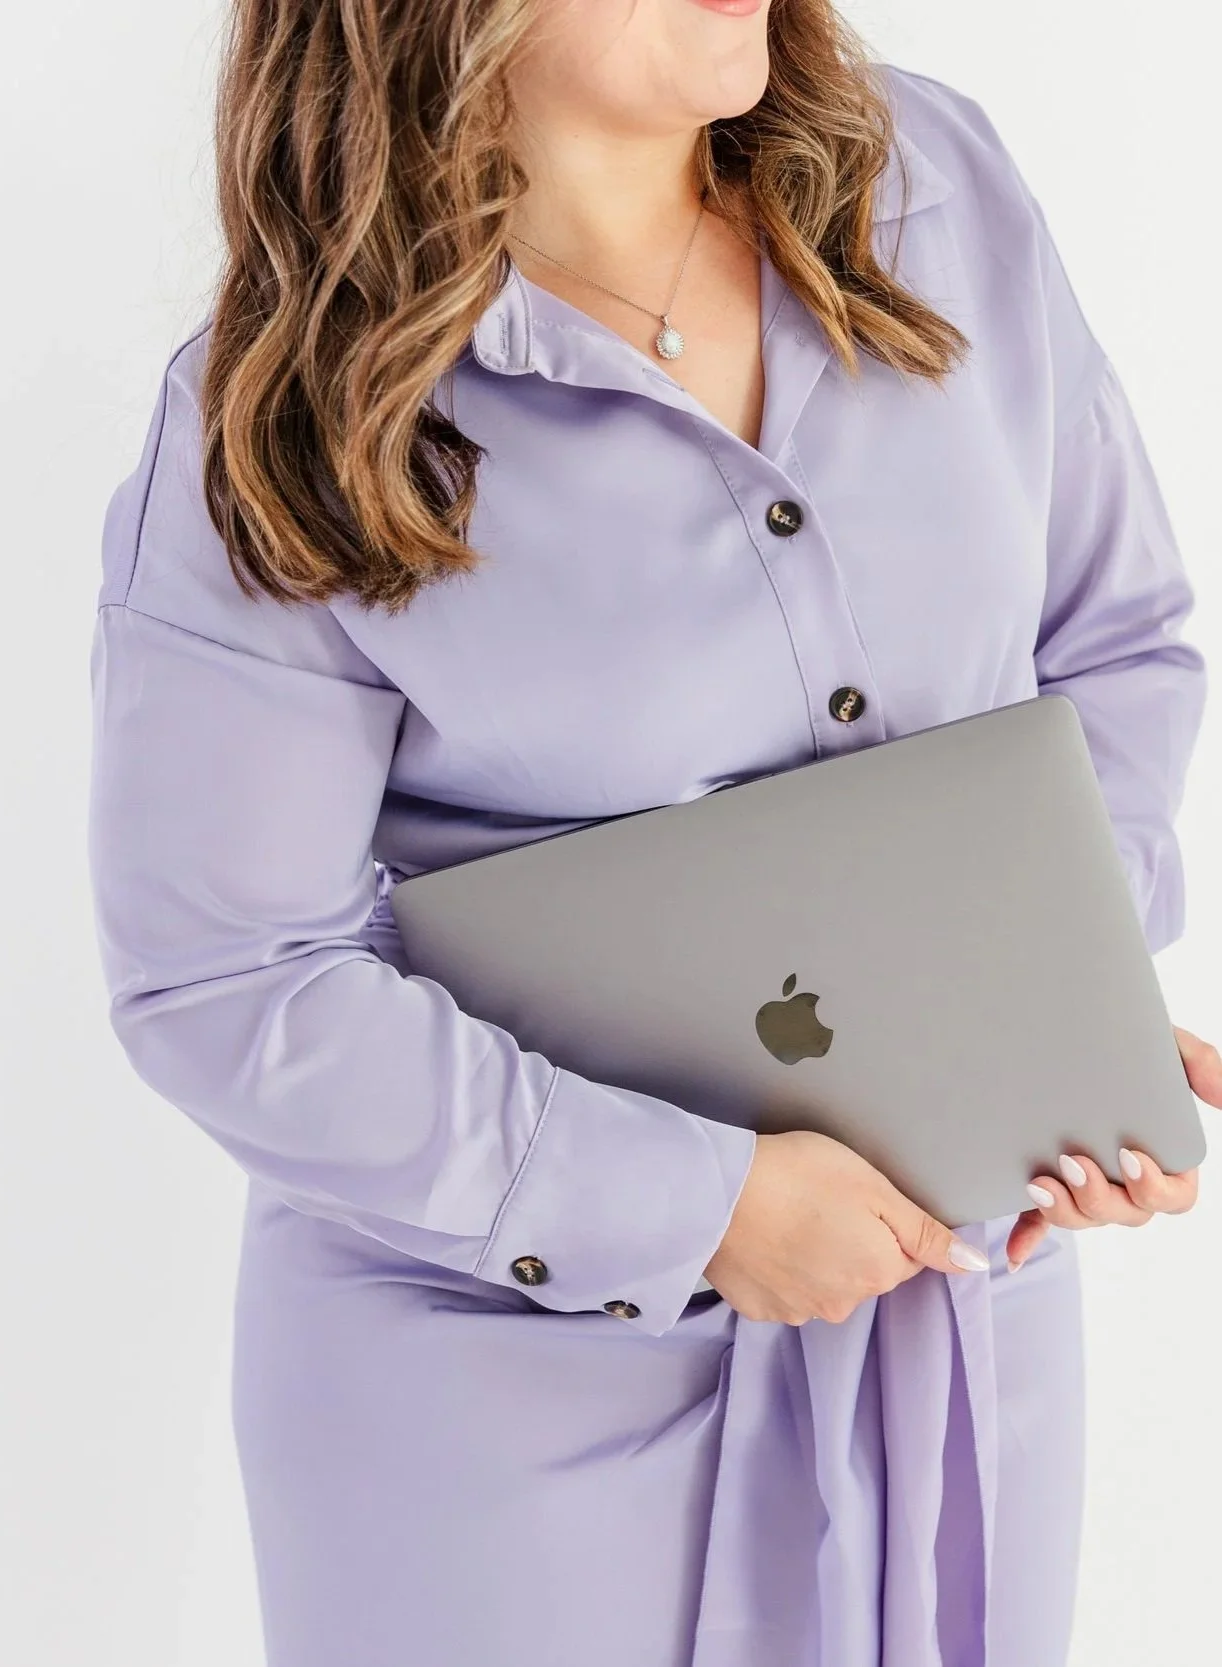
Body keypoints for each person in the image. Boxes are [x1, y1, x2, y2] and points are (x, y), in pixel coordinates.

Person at [86, 2, 1218, 1664]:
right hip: (496, 1434)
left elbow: (1113, 650)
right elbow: (226, 981)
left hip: (951, 1344)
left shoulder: (939, 192)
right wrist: (696, 1207)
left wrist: (1045, 1020)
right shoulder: (278, 424)